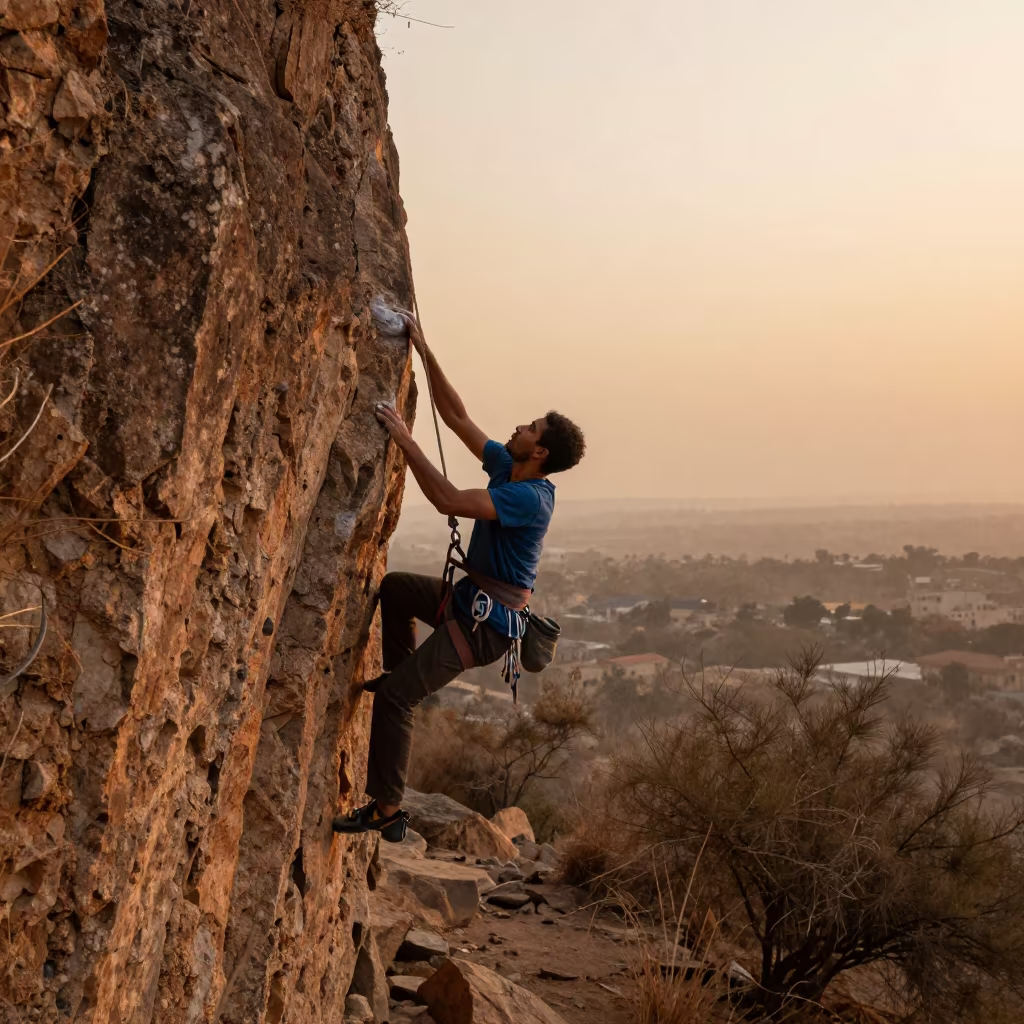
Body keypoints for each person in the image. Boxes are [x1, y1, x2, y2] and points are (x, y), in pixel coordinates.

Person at [334, 315, 586, 841]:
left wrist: (404, 441)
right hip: (470, 602)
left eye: (530, 428)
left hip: (484, 626)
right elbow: (457, 418)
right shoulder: (508, 469)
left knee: (397, 700)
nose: (519, 427)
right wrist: (424, 351)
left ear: (538, 452)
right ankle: (400, 674)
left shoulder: (529, 498)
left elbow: (448, 499)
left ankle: (386, 809)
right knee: (396, 588)